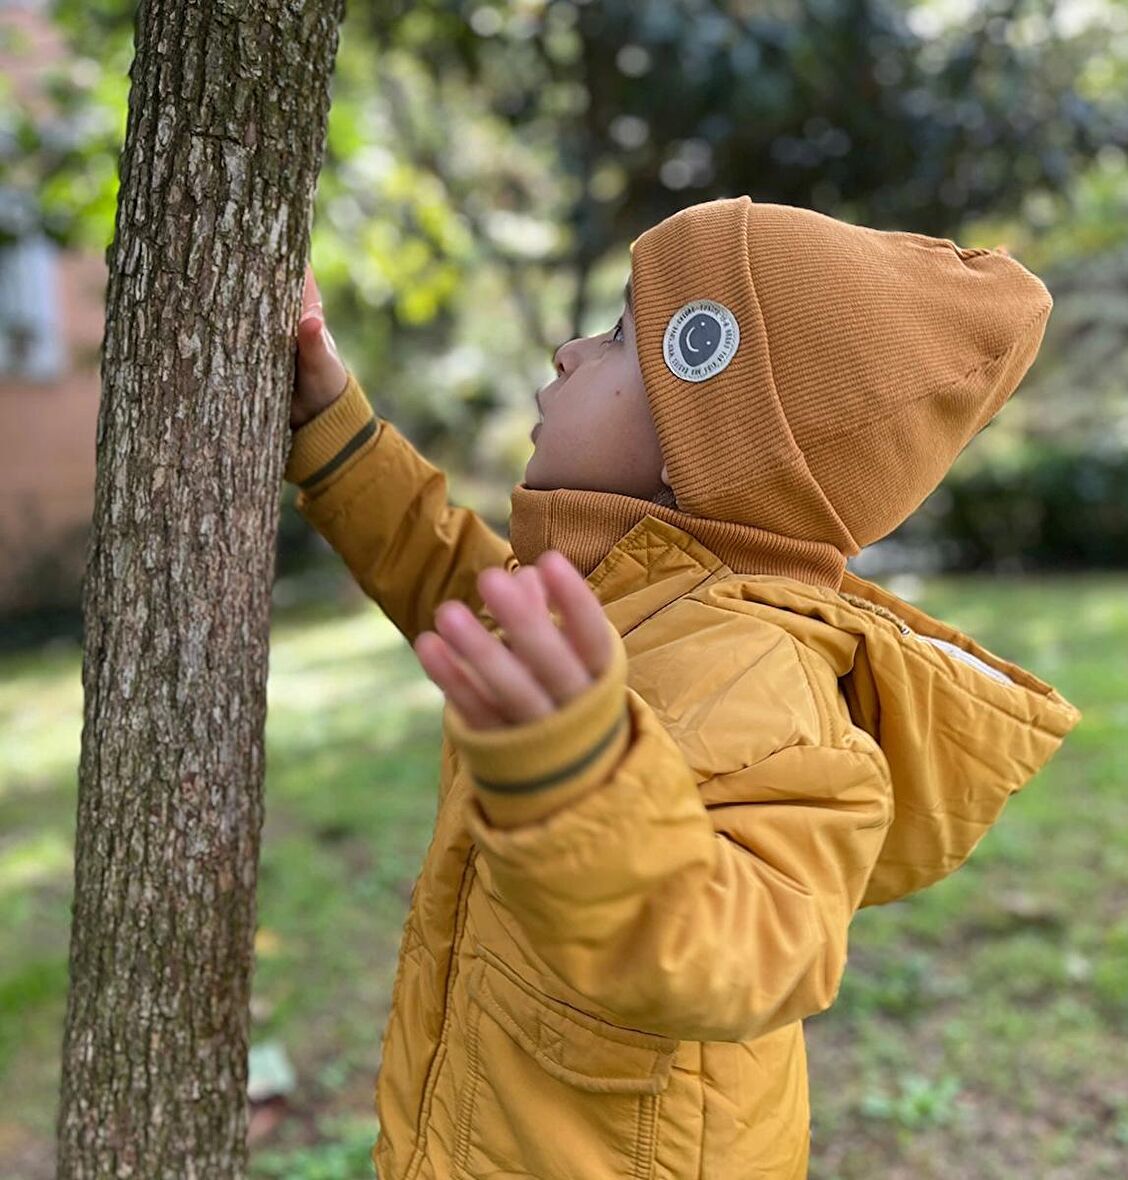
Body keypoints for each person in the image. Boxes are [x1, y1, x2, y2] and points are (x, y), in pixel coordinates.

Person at [287, 195, 1081, 1180]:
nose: (569, 353)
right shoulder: (619, 597)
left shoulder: (766, 678)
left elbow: (755, 946)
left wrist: (581, 779)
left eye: (621, 337)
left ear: (700, 437)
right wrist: (330, 427)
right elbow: (458, 590)